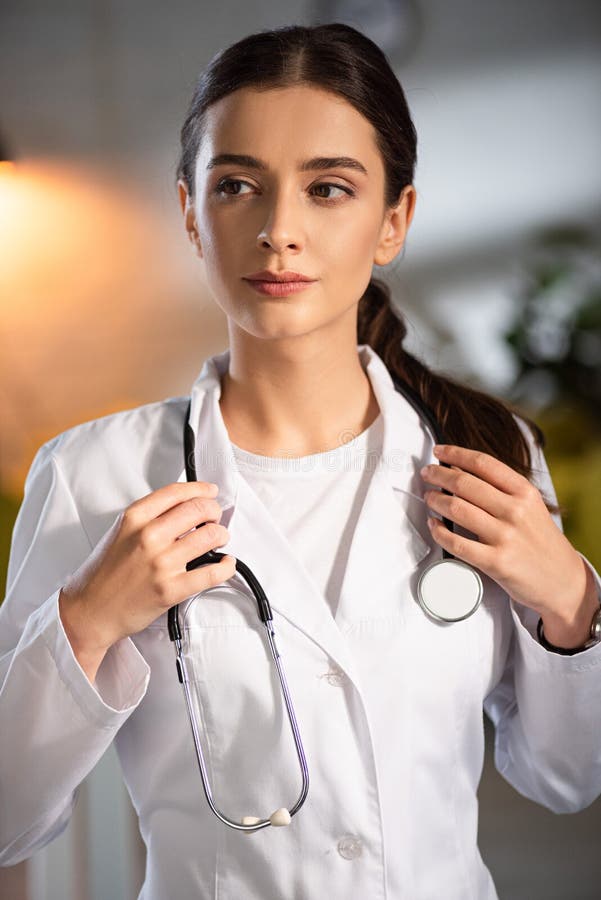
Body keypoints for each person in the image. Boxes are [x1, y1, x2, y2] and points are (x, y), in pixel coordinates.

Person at [1, 22, 600, 900]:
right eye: (237, 185)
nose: (279, 230)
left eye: (328, 189)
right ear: (190, 216)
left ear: (392, 221)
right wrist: (88, 619)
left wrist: (573, 604)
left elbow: (567, 777)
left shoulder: (490, 456)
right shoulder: (94, 474)